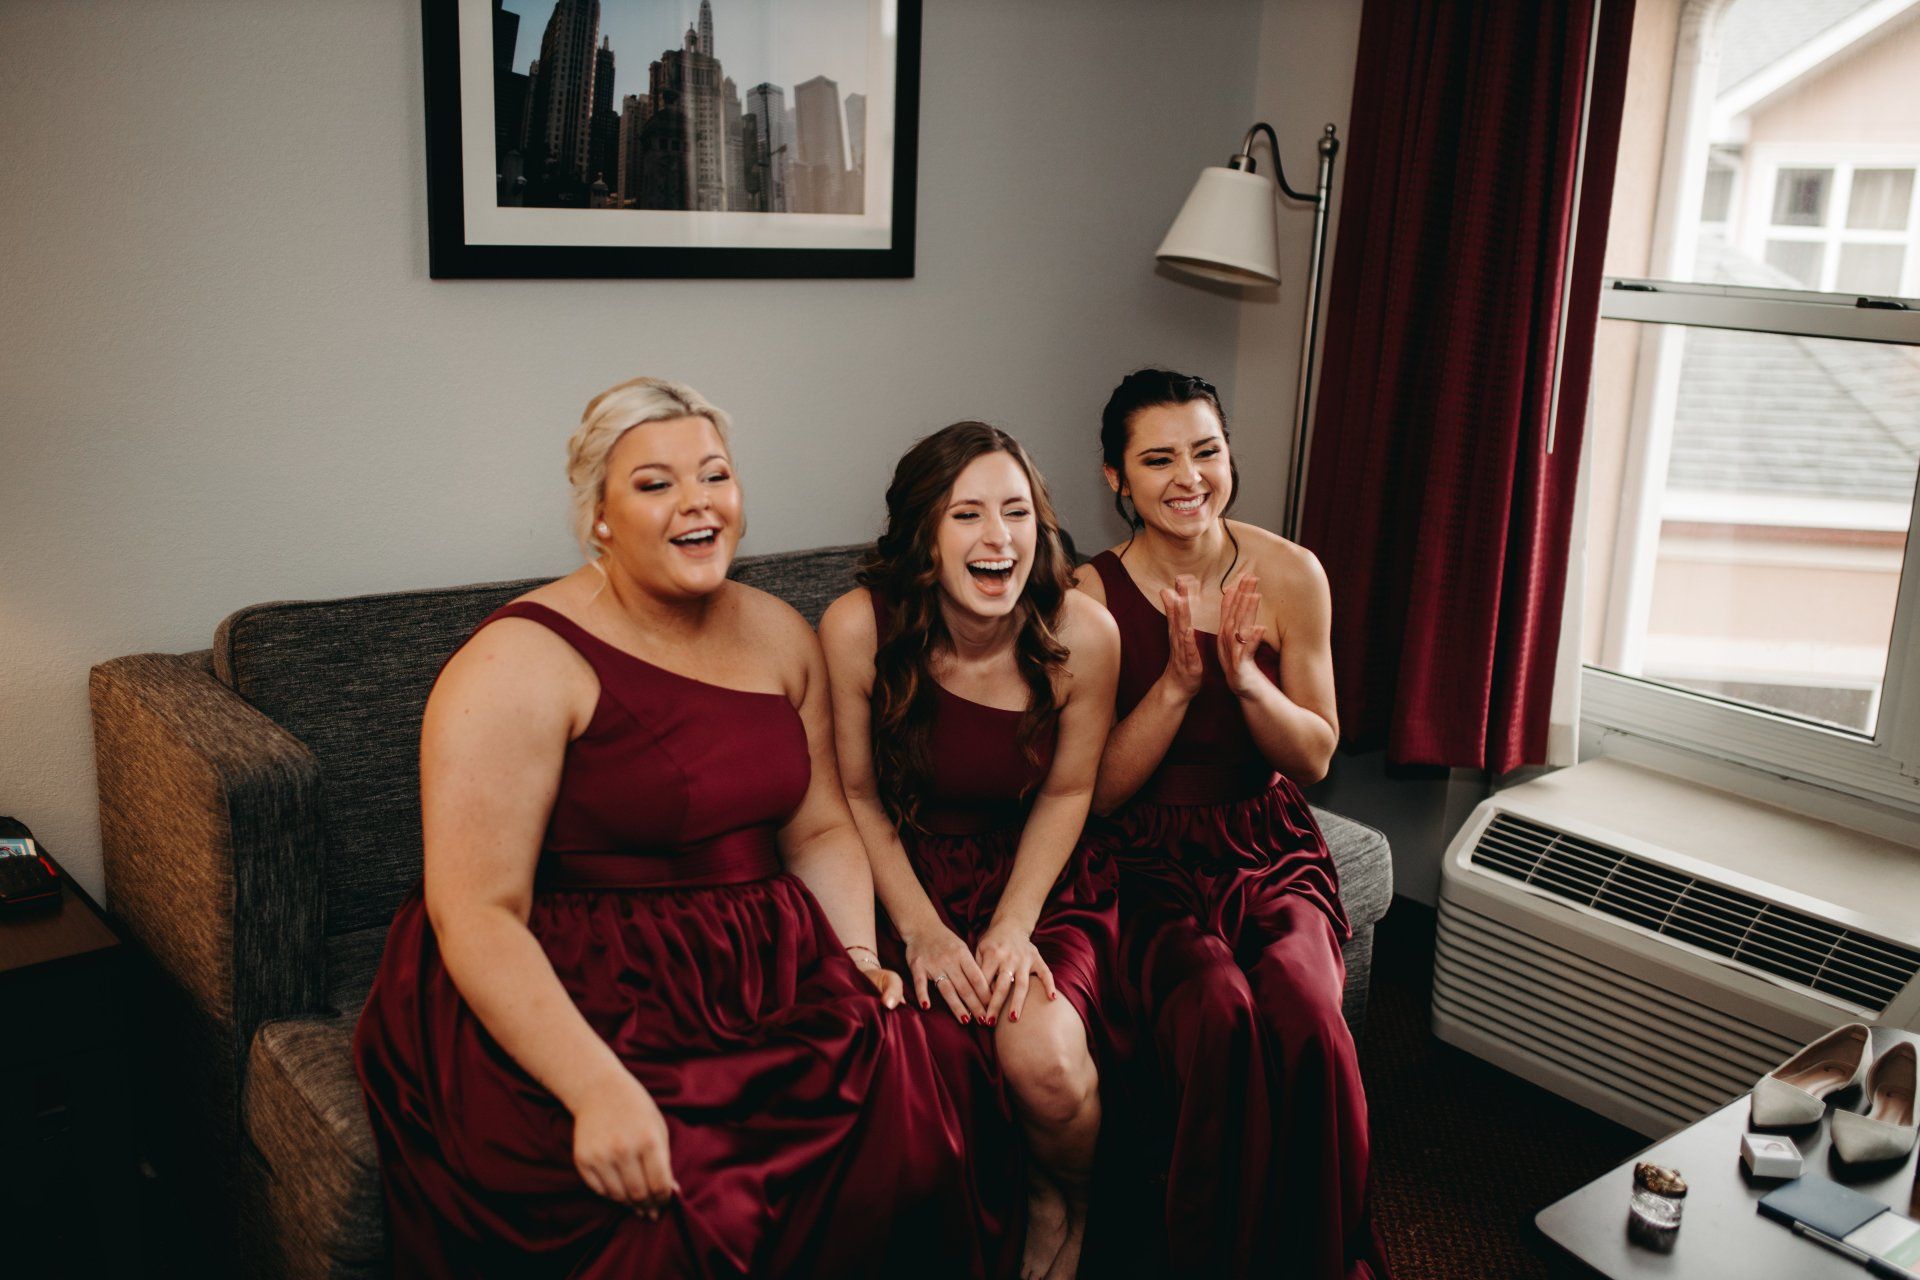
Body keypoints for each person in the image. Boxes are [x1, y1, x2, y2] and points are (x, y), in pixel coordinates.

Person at [353, 378, 994, 1278]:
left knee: (925, 1100)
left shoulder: (778, 632)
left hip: (758, 965)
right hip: (582, 981)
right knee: (695, 1209)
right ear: (599, 517)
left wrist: (853, 957)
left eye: (715, 475)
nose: (697, 502)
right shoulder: (514, 664)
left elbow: (816, 831)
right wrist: (596, 1090)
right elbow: (477, 914)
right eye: (655, 483)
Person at [1073, 370, 1391, 1278]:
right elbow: (1095, 792)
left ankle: (1314, 1259)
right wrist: (1176, 685)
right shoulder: (1085, 594)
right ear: (1115, 479)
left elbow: (1315, 757)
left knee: (1306, 1009)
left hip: (1266, 844)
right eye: (1158, 458)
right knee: (1213, 1011)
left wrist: (1246, 680)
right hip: (1142, 854)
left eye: (1206, 450)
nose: (1189, 476)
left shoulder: (1290, 573)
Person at [819, 422, 1123, 1280]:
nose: (1000, 538)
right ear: (924, 533)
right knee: (911, 1068)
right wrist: (919, 929)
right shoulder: (855, 629)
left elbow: (1068, 794)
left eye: (1018, 512)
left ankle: (1069, 1196)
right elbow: (855, 796)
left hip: (1036, 875)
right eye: (968, 515)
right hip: (897, 878)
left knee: (1048, 1062)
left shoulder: (1084, 635)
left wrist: (1013, 924)